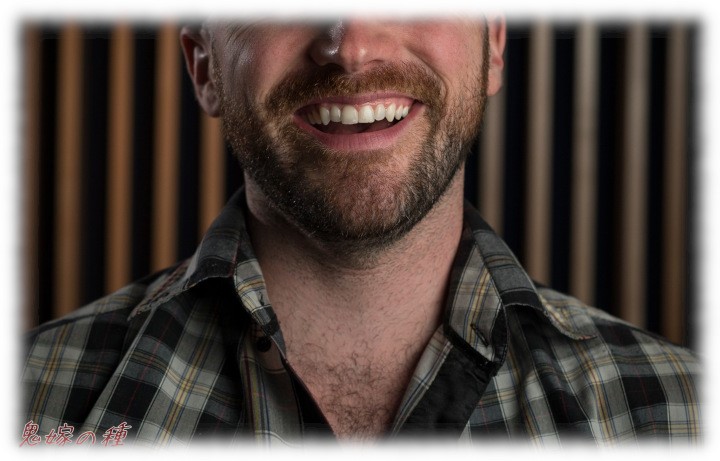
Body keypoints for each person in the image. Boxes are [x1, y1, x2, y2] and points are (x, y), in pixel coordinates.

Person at [22, 17, 700, 446]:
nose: (351, 47)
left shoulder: (682, 412)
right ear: (204, 65)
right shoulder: (30, 399)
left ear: (493, 40)